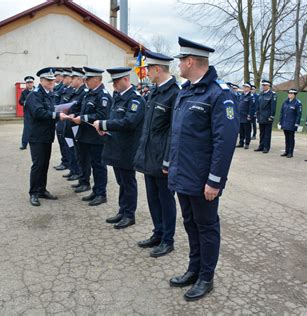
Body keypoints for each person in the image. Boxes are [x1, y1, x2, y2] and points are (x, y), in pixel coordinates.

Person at [166, 37, 239, 301]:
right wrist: (170, 165)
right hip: (183, 175)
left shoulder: (219, 94)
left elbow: (225, 141)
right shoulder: (186, 91)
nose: (178, 66)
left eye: (180, 61)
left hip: (203, 179)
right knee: (190, 224)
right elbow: (177, 135)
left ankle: (206, 278)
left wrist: (215, 181)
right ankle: (194, 269)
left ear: (190, 61)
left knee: (206, 227)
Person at [133, 50, 179, 257]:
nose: (146, 73)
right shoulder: (154, 92)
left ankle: (168, 239)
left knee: (165, 200)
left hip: (162, 159)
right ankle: (158, 232)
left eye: (149, 69)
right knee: (153, 199)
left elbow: (173, 132)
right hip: (149, 157)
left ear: (157, 69)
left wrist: (168, 160)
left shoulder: (174, 94)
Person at [93, 67, 145, 229]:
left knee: (128, 182)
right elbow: (114, 119)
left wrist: (104, 124)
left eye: (116, 82)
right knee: (121, 181)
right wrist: (106, 128)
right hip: (115, 146)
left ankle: (130, 214)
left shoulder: (135, 99)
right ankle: (122, 210)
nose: (114, 85)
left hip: (128, 149)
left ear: (126, 79)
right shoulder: (118, 97)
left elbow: (129, 122)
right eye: (113, 82)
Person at [70, 67, 112, 206]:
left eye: (87, 79)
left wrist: (81, 118)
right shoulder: (89, 94)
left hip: (96, 138)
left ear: (96, 79)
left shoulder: (103, 95)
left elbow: (102, 116)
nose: (85, 81)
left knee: (99, 166)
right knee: (90, 164)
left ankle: (101, 193)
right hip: (86, 136)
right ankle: (95, 190)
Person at [25, 67, 66, 206]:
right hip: (37, 136)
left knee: (45, 164)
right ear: (42, 81)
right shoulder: (34, 95)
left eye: (52, 80)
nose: (52, 82)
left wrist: (61, 113)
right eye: (49, 80)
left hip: (47, 135)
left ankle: (42, 189)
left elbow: (51, 110)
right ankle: (33, 193)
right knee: (38, 165)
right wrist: (57, 115)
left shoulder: (49, 94)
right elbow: (38, 112)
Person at [61, 67, 87, 181]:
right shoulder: (74, 91)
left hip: (76, 126)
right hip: (69, 125)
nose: (71, 80)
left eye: (73, 78)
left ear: (80, 79)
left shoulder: (84, 93)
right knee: (70, 148)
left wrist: (74, 114)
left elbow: (83, 110)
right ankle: (73, 169)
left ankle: (78, 171)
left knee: (77, 151)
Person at [54, 67, 73, 171]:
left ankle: (68, 163)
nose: (63, 79)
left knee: (68, 144)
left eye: (65, 77)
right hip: (61, 120)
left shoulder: (72, 91)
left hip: (67, 120)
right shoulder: (64, 89)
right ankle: (66, 161)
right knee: (62, 142)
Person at [254, 79, 277, 153]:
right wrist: (257, 114)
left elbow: (273, 107)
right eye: (262, 85)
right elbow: (258, 105)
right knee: (262, 133)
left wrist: (271, 116)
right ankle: (261, 146)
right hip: (261, 116)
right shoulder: (261, 94)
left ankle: (266, 147)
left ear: (268, 86)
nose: (263, 87)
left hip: (267, 117)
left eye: (264, 85)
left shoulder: (272, 94)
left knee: (267, 133)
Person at [279, 89, 302, 158]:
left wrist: (297, 123)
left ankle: (290, 152)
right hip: (285, 123)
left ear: (294, 95)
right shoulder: (285, 102)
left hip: (292, 123)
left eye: (291, 94)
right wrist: (281, 121)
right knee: (286, 138)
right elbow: (282, 112)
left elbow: (299, 114)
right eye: (289, 93)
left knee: (291, 138)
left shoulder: (297, 103)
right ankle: (286, 151)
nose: (290, 95)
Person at [237, 82, 255, 149]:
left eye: (246, 87)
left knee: (247, 131)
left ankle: (247, 143)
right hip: (240, 116)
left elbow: (252, 107)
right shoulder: (241, 95)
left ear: (249, 88)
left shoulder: (251, 97)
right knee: (241, 130)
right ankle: (241, 142)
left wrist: (250, 115)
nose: (245, 88)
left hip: (246, 116)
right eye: (244, 87)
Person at [19, 76, 35, 150]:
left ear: (33, 83)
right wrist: (25, 102)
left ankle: (36, 143)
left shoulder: (37, 90)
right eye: (28, 83)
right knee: (27, 129)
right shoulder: (24, 92)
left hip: (36, 113)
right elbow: (20, 101)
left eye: (30, 83)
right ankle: (24, 144)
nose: (29, 84)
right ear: (26, 84)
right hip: (28, 113)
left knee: (37, 128)